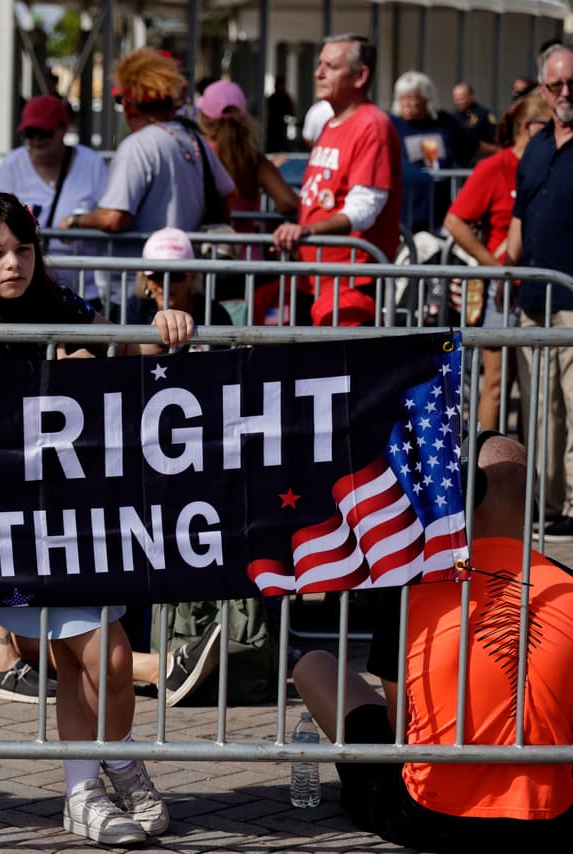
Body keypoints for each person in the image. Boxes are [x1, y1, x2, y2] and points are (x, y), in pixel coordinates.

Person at [0, 190, 193, 844]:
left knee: (95, 657)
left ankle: (91, 782)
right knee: (98, 655)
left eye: (23, 249)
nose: (13, 264)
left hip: (83, 514)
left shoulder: (64, 304)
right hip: (18, 526)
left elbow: (128, 366)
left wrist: (160, 328)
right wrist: (63, 373)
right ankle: (108, 769)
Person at [292, 433, 573, 849]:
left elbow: (398, 727)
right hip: (553, 816)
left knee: (314, 664)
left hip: (429, 815)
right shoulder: (566, 584)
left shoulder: (414, 585)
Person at [58, 48, 235, 270]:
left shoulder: (137, 146)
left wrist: (74, 222)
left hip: (139, 281)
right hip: (183, 275)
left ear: (131, 107)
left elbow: (114, 218)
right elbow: (228, 195)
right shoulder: (193, 138)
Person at [272, 34, 401, 327]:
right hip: (316, 275)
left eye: (330, 66)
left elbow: (364, 209)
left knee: (342, 371)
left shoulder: (372, 126)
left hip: (350, 280)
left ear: (360, 76)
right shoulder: (331, 122)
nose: (318, 73)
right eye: (319, 64)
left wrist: (306, 230)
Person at [444, 92, 549, 433]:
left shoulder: (554, 165)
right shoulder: (495, 167)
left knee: (541, 389)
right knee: (497, 385)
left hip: (544, 291)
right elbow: (455, 220)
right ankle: (487, 472)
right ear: (528, 128)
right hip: (503, 293)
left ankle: (530, 472)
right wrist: (493, 266)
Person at [508, 43, 573, 542]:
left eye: (572, 83)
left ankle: (572, 504)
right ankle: (550, 505)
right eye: (556, 85)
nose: (566, 93)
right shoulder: (535, 147)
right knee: (540, 411)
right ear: (543, 88)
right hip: (534, 300)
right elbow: (518, 221)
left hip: (572, 303)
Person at [0, 94, 106, 301]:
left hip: (83, 290)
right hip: (27, 289)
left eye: (43, 132)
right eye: (29, 133)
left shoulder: (91, 163)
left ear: (62, 129)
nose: (36, 139)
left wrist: (78, 222)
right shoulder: (13, 163)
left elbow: (107, 213)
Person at [195, 80, 299, 225]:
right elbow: (288, 202)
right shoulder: (254, 161)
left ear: (204, 118)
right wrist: (271, 227)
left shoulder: (197, 154)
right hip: (247, 246)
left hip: (202, 245)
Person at [388, 70, 470, 232]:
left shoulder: (445, 122)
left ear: (427, 99)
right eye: (403, 97)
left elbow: (468, 149)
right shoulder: (393, 125)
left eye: (413, 98)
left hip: (441, 209)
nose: (407, 103)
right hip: (407, 212)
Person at [452, 81, 499, 161]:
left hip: (480, 162)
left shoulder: (484, 115)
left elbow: (496, 143)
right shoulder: (454, 117)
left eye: (462, 98)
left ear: (471, 96)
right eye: (456, 99)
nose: (458, 102)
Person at [265, 75, 295, 152]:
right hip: (272, 130)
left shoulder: (285, 98)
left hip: (281, 131)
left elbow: (292, 113)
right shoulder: (272, 98)